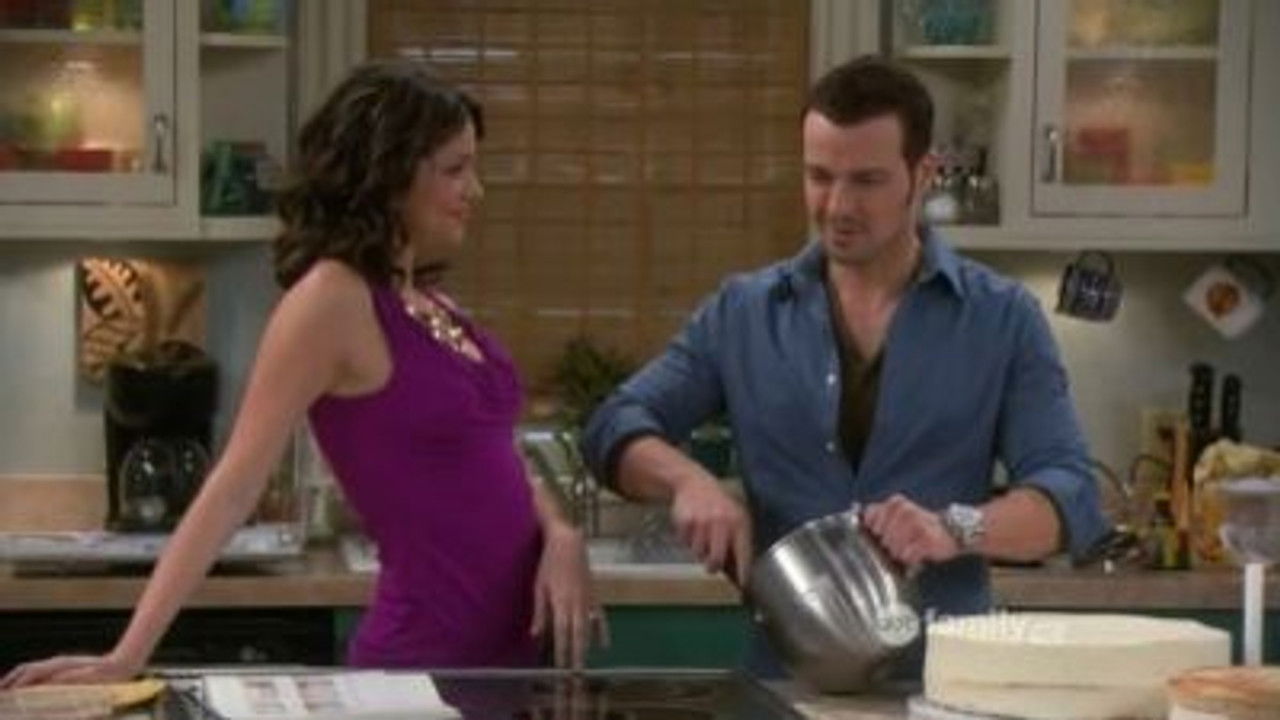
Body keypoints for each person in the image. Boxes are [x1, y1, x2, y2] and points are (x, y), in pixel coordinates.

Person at [1, 60, 603, 689]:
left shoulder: (435, 306)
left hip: (512, 667)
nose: (475, 190)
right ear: (388, 175)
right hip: (425, 670)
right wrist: (125, 657)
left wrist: (559, 532)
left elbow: (495, 453)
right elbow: (233, 487)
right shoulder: (331, 301)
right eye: (455, 170)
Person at [580, 55, 1109, 676]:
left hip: (944, 680)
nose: (837, 206)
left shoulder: (1002, 318)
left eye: (866, 181)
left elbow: (1070, 496)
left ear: (922, 175)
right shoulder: (744, 314)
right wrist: (687, 481)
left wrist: (956, 528)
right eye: (819, 176)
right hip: (785, 685)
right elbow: (614, 424)